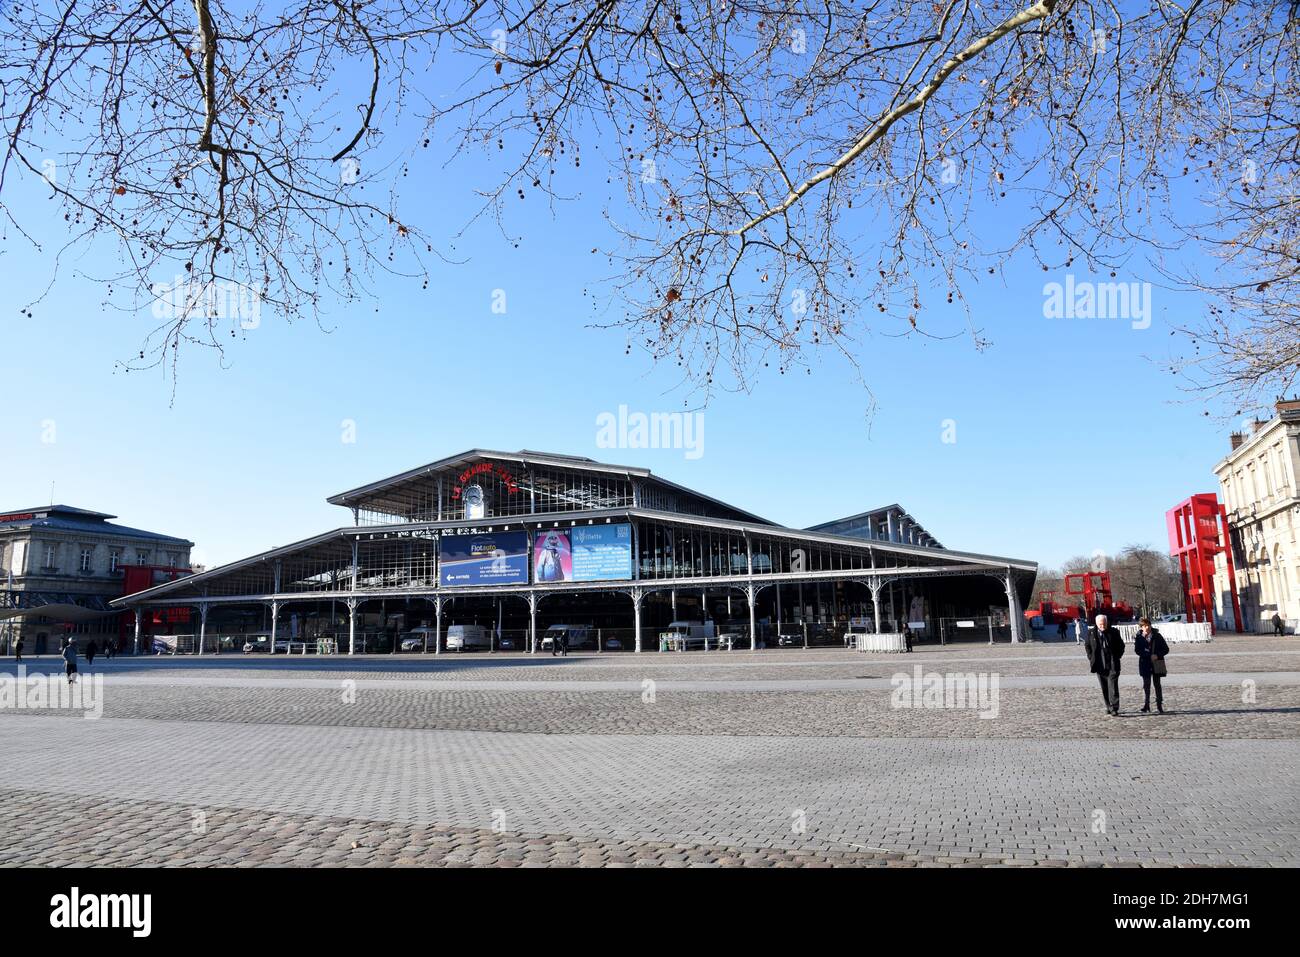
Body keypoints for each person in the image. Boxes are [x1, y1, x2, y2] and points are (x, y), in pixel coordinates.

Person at [1084, 614, 1124, 716]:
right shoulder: (1091, 633)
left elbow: (1121, 645)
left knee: (1113, 685)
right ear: (1096, 624)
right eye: (1100, 624)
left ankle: (1114, 707)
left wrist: (1117, 656)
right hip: (1099, 664)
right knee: (1104, 687)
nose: (1103, 626)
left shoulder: (1114, 632)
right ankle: (1108, 706)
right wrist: (1091, 657)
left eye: (1104, 624)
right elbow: (1087, 646)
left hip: (1112, 663)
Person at [1133, 617, 1169, 714]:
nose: (1147, 627)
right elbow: (1137, 650)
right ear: (1141, 627)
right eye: (1144, 626)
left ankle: (1159, 704)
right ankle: (1146, 704)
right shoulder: (1139, 637)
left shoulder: (1157, 636)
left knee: (1157, 684)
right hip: (1145, 663)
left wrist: (1157, 655)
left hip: (1157, 663)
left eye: (1148, 625)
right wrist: (1147, 655)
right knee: (1146, 685)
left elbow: (1166, 649)